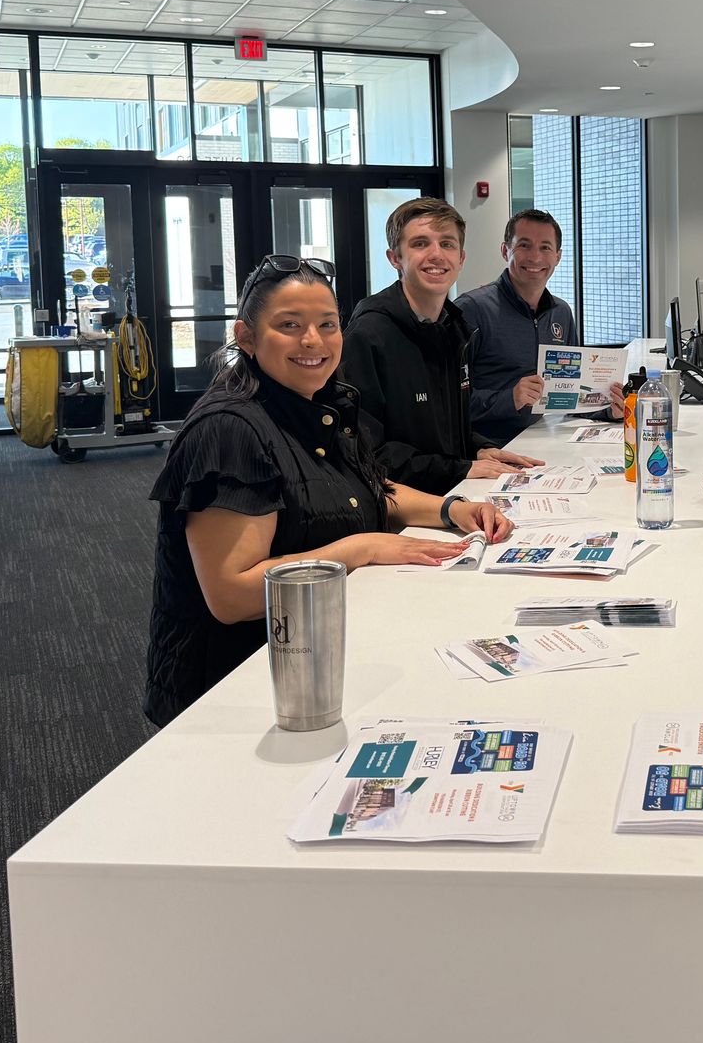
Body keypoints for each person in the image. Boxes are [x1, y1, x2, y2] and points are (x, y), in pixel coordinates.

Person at [145, 256, 514, 726]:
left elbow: (364, 488)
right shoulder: (229, 430)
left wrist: (453, 509)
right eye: (289, 325)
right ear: (246, 336)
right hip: (240, 689)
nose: (313, 341)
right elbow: (231, 594)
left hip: (321, 658)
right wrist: (359, 549)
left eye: (327, 324)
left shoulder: (323, 399)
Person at [342, 197, 541, 492]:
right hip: (400, 511)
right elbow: (368, 454)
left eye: (447, 244)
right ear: (395, 258)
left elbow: (444, 427)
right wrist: (462, 468)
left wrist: (479, 449)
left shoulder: (453, 328)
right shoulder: (368, 335)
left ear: (461, 258)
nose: (437, 255)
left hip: (451, 491)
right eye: (420, 244)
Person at [459, 207, 625, 443]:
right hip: (486, 449)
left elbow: (572, 394)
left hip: (541, 441)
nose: (535, 257)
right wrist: (510, 398)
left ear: (558, 256)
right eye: (524, 245)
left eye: (545, 247)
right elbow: (447, 400)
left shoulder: (561, 313)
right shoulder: (472, 309)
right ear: (505, 250)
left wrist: (610, 410)